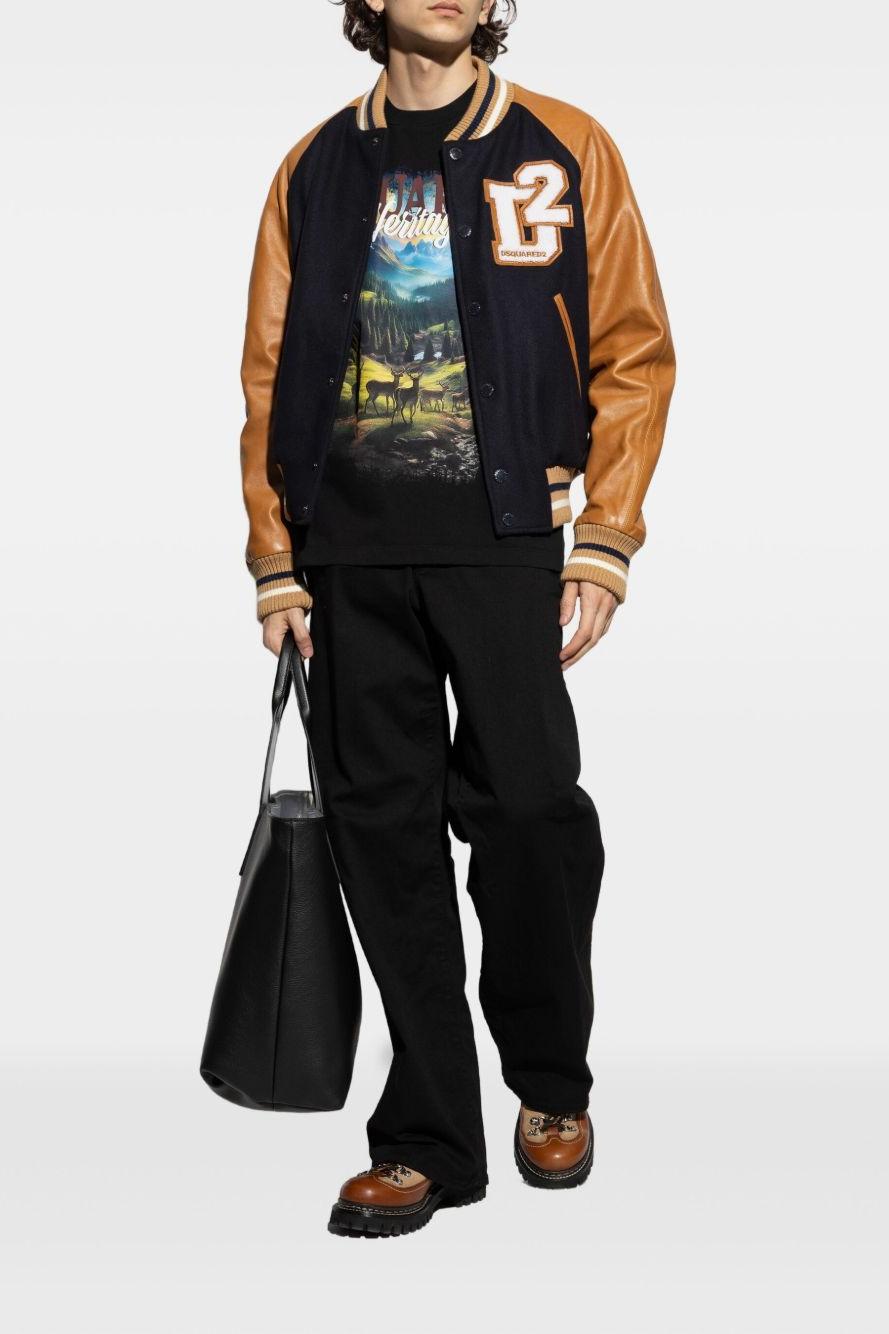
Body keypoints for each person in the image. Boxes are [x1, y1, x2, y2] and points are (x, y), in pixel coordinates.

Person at [238, 0, 674, 1239]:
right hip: (345, 552)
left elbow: (634, 350)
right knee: (384, 842)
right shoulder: (313, 166)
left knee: (530, 810)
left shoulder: (565, 146)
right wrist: (276, 558)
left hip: (505, 538)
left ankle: (550, 1076)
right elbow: (269, 371)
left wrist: (607, 535)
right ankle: (428, 1136)